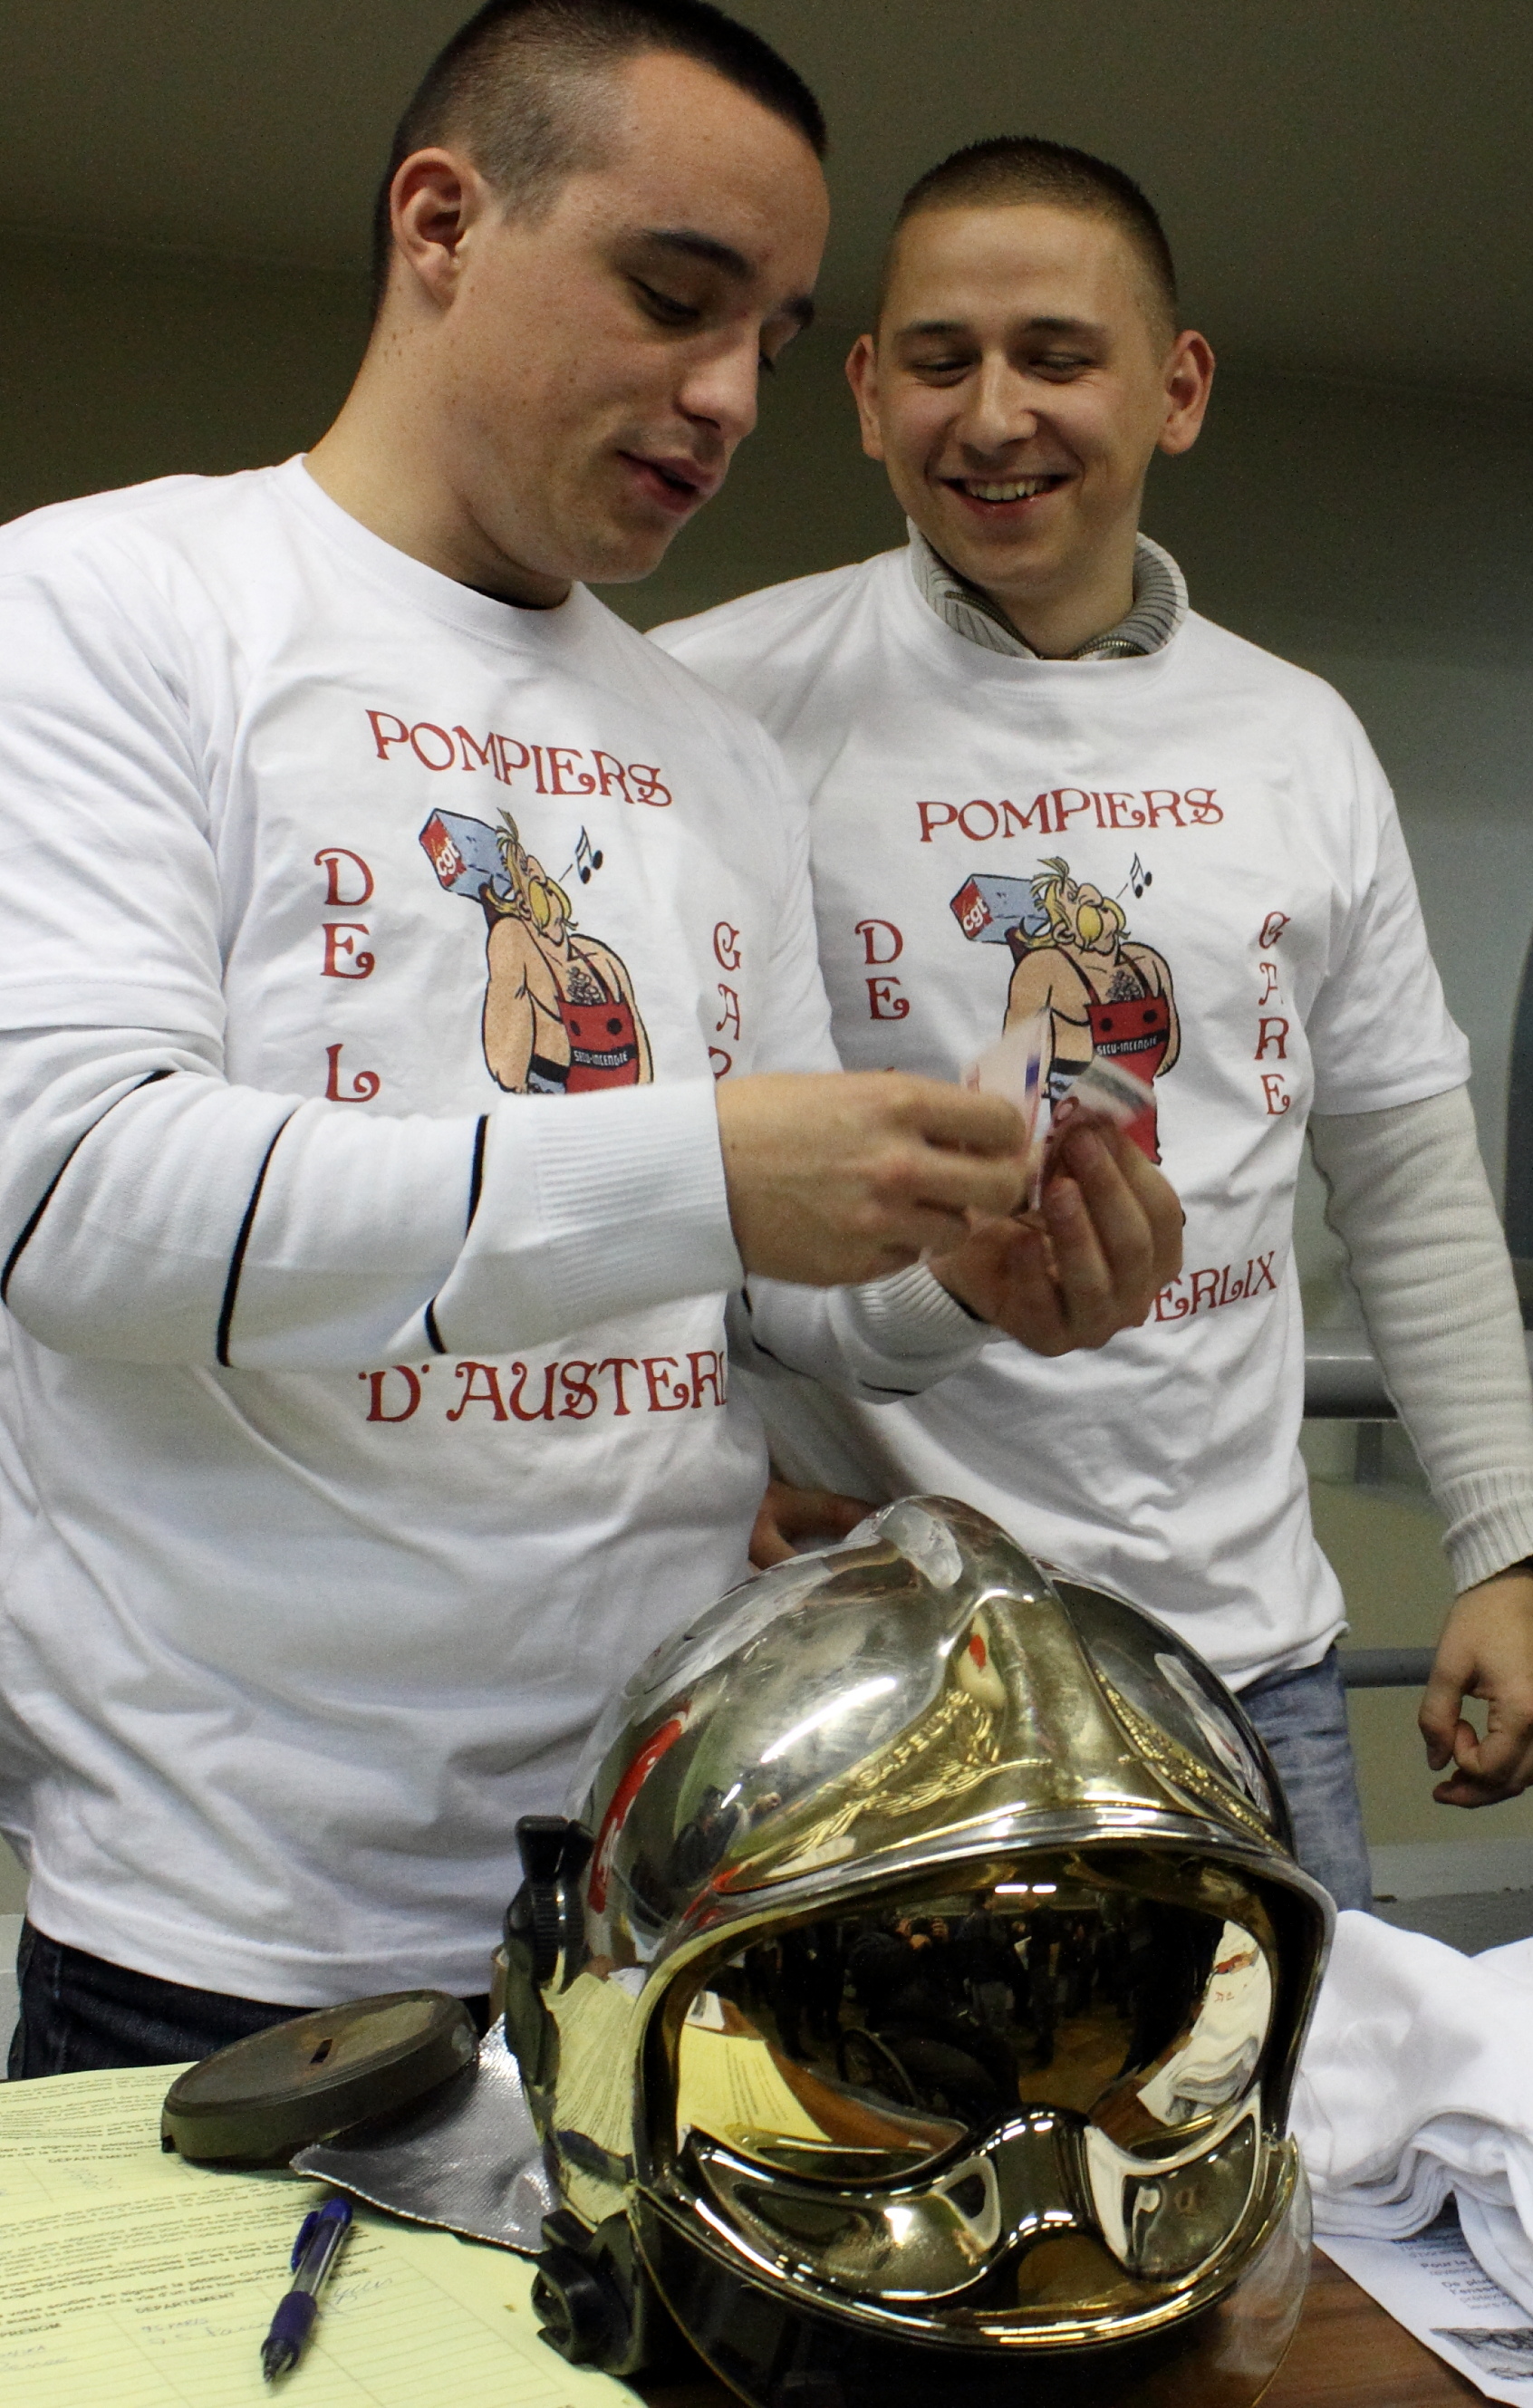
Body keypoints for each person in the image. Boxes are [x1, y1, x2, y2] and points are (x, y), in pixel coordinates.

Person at [0, 28, 1183, 2075]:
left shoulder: (709, 748)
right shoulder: (108, 604)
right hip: (239, 1916)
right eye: (672, 296)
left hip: (666, 1887)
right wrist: (709, 1165)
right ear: (443, 222)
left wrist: (948, 1283)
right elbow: (74, 1201)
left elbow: (760, 1301)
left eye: (770, 335)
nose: (729, 396)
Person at [655, 137, 1533, 1909]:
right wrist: (683, 1478)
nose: (994, 414)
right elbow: (640, 1161)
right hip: (872, 1667)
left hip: (1244, 1660)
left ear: (1178, 388)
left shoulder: (1299, 740)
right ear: (867, 395)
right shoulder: (715, 700)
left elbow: (1402, 1168)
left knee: (1287, 2083)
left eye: (1057, 357)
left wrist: (1502, 1540)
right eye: (942, 360)